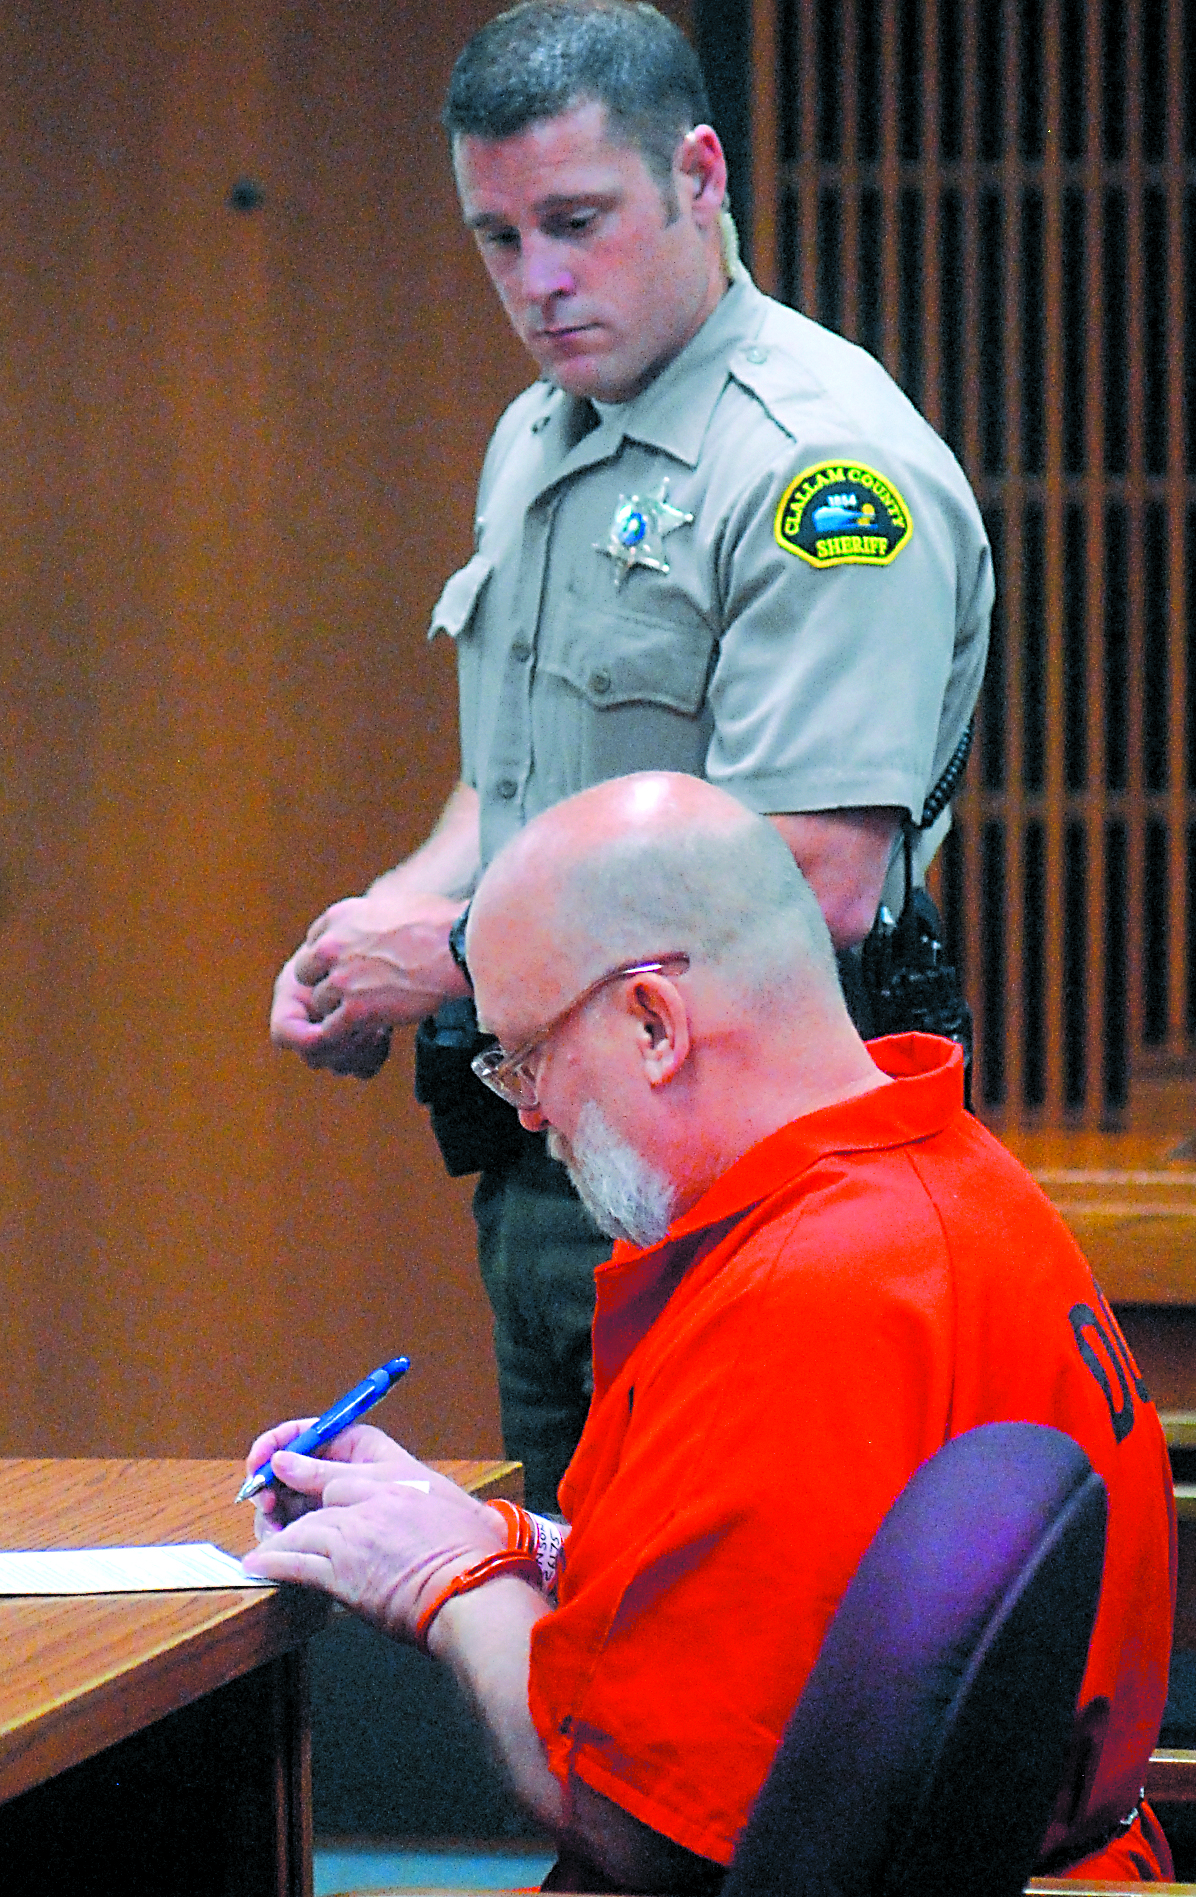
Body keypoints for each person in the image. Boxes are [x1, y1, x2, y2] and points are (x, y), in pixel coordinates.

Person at [269, 0, 994, 1513]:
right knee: (585, 1647)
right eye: (498, 238)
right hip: (560, 1156)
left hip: (752, 1182)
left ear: (701, 176)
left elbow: (817, 879)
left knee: (730, 1678)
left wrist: (452, 959)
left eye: (577, 222)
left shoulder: (813, 467)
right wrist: (377, 929)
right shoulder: (545, 438)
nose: (539, 283)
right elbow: (521, 784)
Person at [246, 773, 1174, 1897]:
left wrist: (448, 1585)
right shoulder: (950, 1181)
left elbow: (644, 1827)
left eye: (527, 1057)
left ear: (654, 1021)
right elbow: (803, 1610)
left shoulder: (809, 1296)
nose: (528, 1111)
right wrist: (492, 1537)